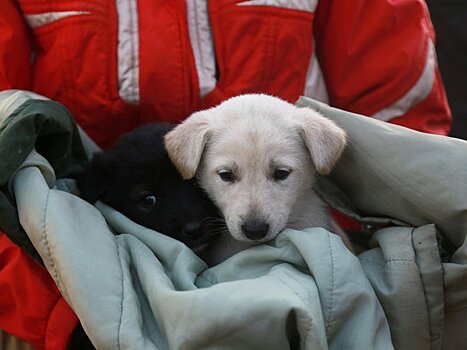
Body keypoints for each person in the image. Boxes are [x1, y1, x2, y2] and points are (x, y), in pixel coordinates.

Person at [0, 0, 451, 348]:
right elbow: (7, 143)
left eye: (280, 173)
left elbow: (397, 143)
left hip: (313, 294)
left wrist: (366, 284)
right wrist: (63, 306)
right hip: (69, 279)